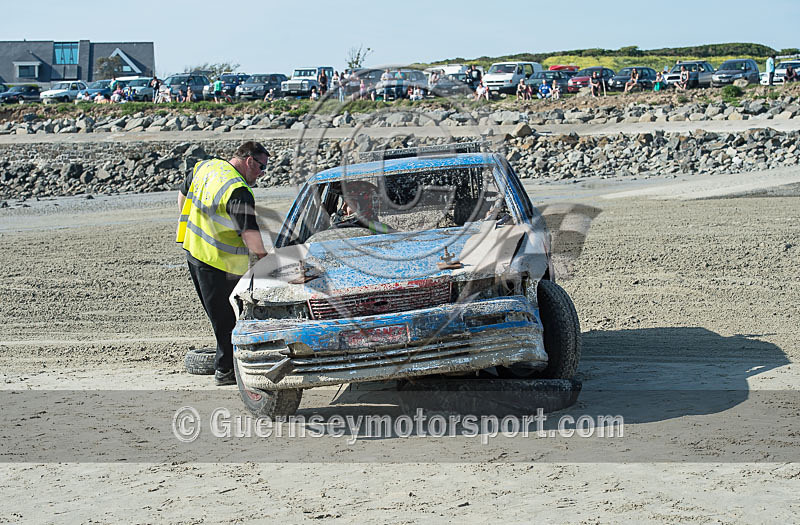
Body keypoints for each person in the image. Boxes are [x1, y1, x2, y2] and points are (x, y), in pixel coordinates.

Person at [176, 141, 270, 386]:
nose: (262, 174)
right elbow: (249, 233)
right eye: (262, 168)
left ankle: (226, 365)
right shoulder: (238, 190)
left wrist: (186, 221)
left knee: (218, 316)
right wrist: (265, 260)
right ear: (249, 161)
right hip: (217, 262)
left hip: (193, 249)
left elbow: (183, 191)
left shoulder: (208, 167)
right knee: (228, 320)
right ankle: (225, 370)